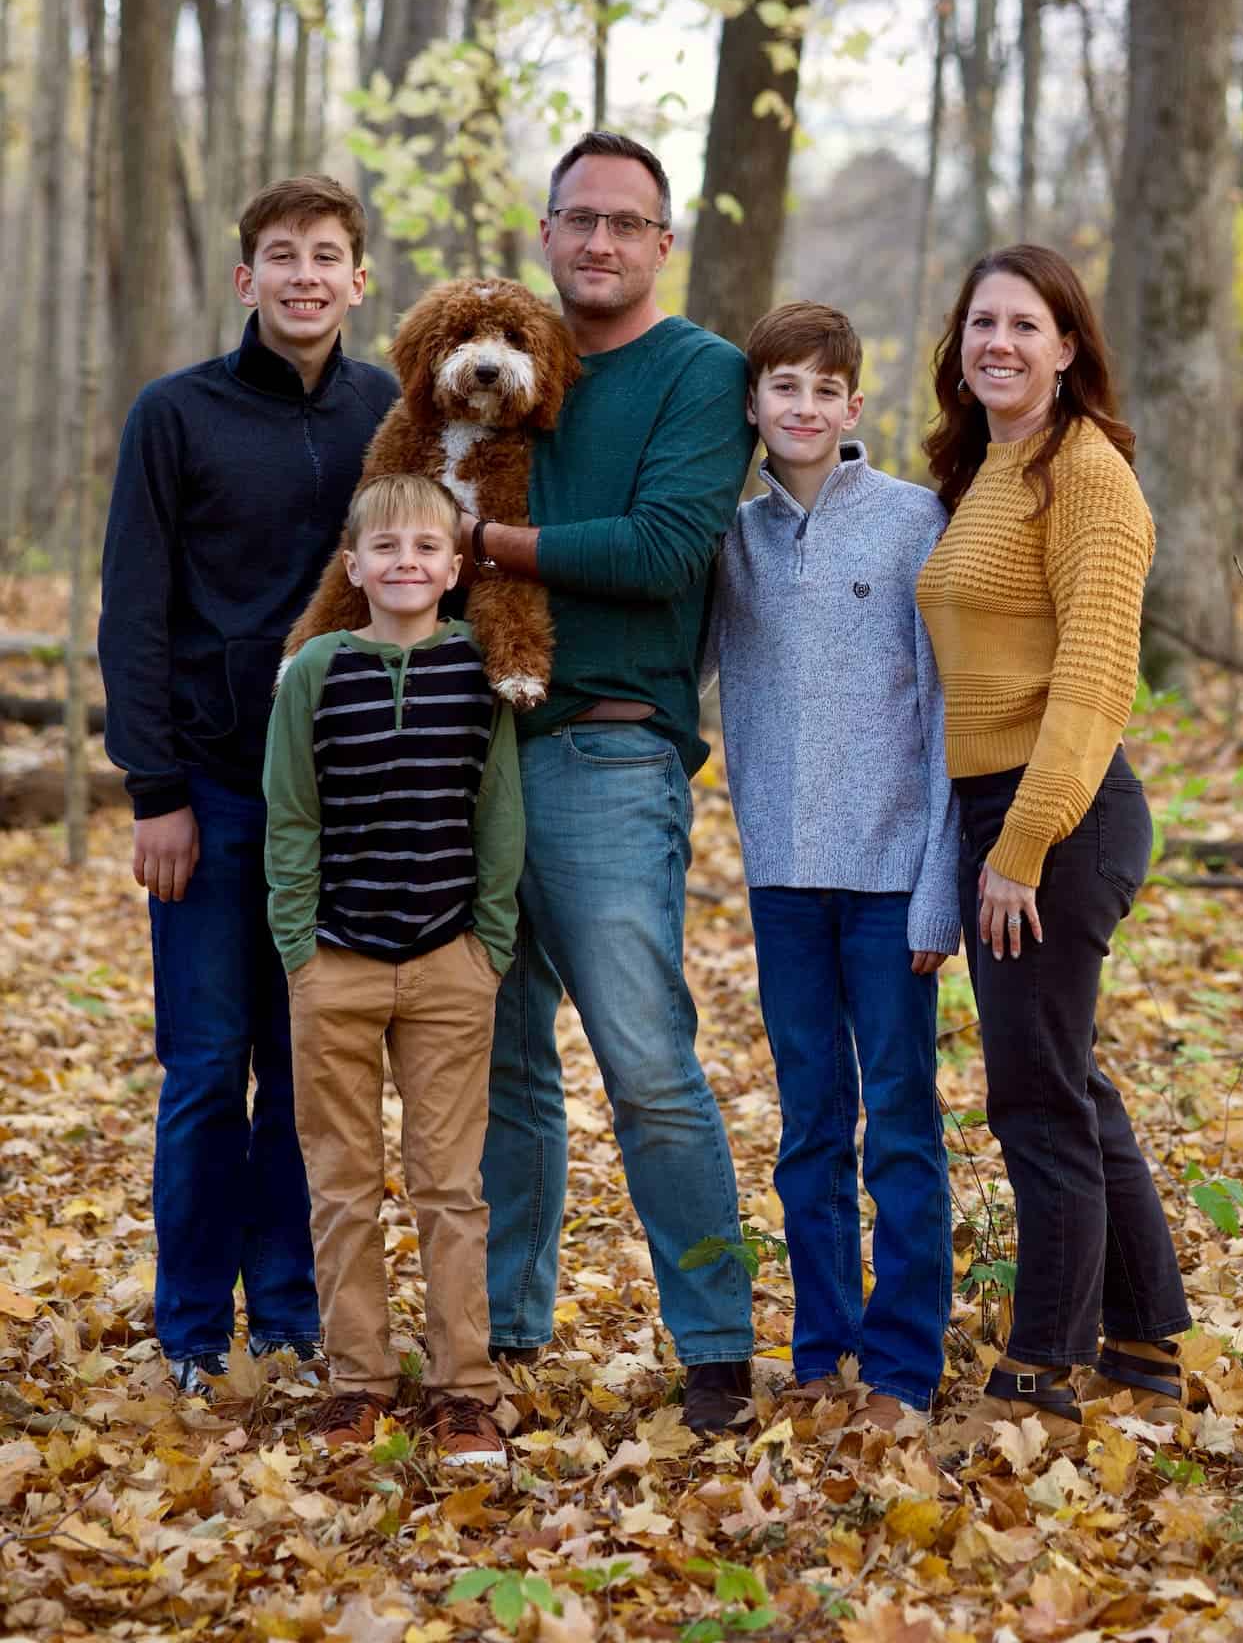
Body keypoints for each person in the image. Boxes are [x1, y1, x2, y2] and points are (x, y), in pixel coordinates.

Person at [455, 130, 758, 1433]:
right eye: (578, 218)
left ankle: (716, 1344)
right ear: (545, 229)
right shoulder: (505, 359)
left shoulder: (702, 373)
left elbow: (666, 547)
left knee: (645, 1057)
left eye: (625, 223)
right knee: (502, 1058)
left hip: (610, 754)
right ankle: (511, 1329)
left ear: (662, 244)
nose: (599, 242)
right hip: (473, 748)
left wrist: (487, 546)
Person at [98, 176, 400, 1395]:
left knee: (308, 1070)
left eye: (327, 255)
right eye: (282, 255)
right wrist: (152, 790)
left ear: (358, 280)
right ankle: (187, 1335)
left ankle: (283, 1319)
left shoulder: (389, 412)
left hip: (341, 805)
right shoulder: (175, 415)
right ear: (246, 279)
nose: (305, 276)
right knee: (207, 1067)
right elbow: (134, 613)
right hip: (214, 800)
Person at [916, 244, 1191, 1446]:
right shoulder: (989, 466)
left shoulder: (1084, 475)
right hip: (1003, 810)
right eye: (981, 323)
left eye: (1025, 325)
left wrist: (1020, 845)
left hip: (1057, 812)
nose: (999, 344)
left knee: (1032, 1097)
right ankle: (1143, 1342)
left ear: (1069, 346)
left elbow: (1090, 680)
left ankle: (1038, 1367)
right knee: (1068, 1079)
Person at [703, 301, 959, 1434]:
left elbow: (950, 709)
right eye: (781, 389)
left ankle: (901, 1363)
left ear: (853, 407)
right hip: (782, 881)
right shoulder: (729, 537)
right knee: (809, 1124)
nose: (801, 408)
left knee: (900, 1120)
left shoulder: (914, 523)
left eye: (823, 390)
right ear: (751, 407)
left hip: (892, 878)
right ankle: (821, 1346)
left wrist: (940, 882)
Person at [263, 474, 522, 1461]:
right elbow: (292, 815)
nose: (405, 562)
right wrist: (302, 950)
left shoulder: (479, 667)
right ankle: (356, 1383)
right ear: (353, 567)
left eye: (426, 547)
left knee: (449, 1186)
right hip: (338, 965)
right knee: (342, 1182)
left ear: (455, 569)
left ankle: (464, 1389)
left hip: (449, 963)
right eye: (385, 548)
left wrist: (487, 944)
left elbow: (497, 815)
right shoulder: (317, 669)